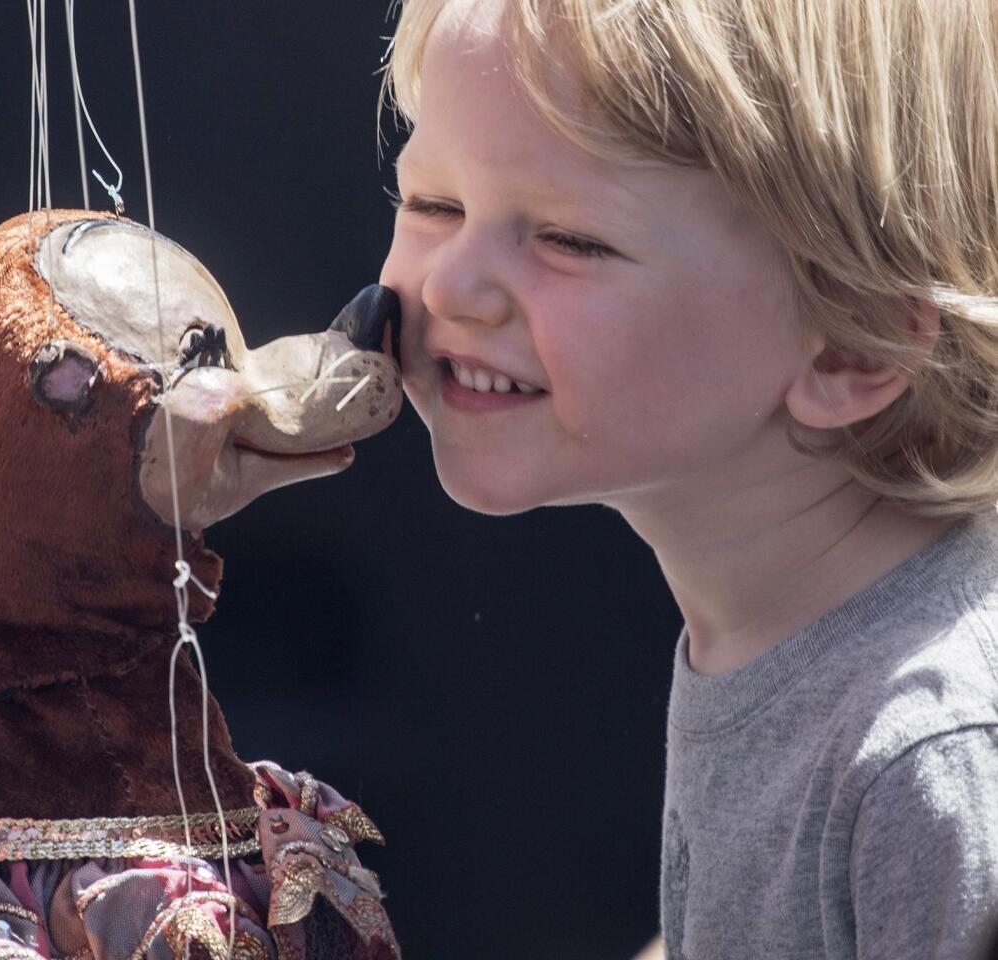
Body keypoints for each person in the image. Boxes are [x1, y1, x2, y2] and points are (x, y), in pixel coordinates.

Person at [376, 0, 998, 957]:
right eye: (433, 205)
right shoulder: (780, 627)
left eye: (569, 239)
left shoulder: (928, 760)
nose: (454, 286)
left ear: (847, 348)